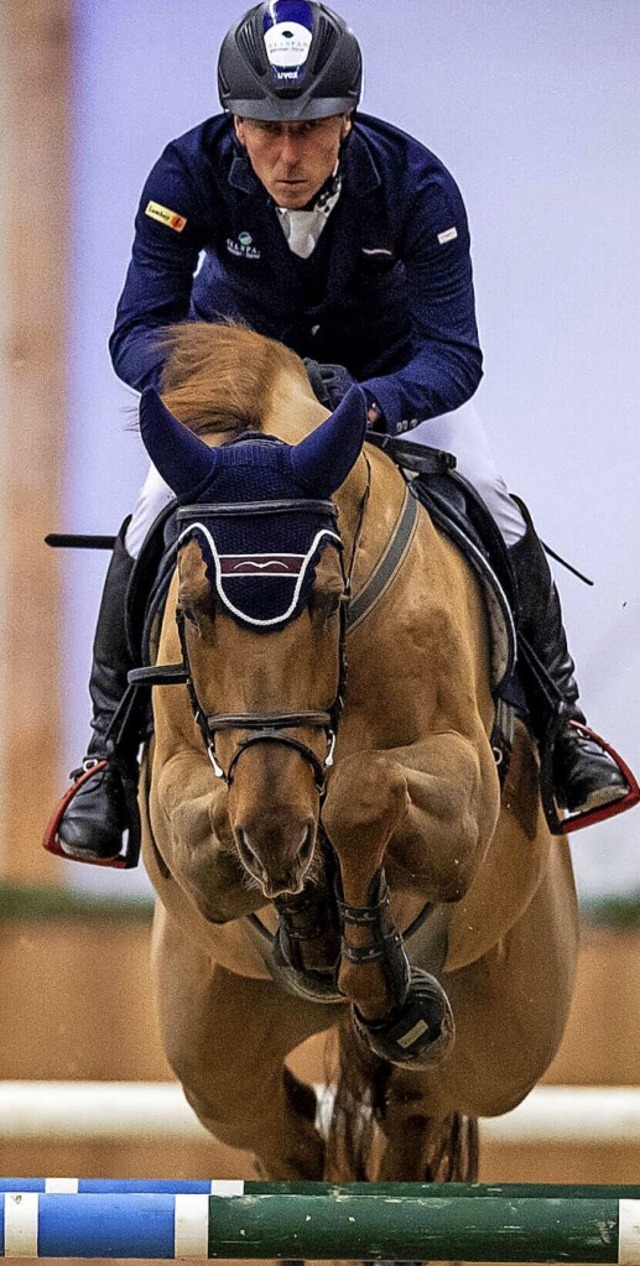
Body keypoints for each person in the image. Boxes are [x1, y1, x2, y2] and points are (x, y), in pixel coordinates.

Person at [56, 0, 628, 861]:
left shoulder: (415, 185)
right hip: (241, 394)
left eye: (312, 128)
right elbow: (137, 333)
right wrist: (228, 388)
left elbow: (454, 356)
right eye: (265, 128)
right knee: (148, 514)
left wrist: (366, 406)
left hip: (388, 379)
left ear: (347, 120)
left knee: (493, 498)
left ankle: (564, 723)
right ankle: (107, 758)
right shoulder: (185, 176)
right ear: (234, 122)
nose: (287, 155)